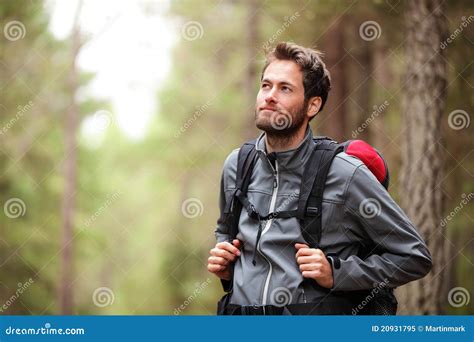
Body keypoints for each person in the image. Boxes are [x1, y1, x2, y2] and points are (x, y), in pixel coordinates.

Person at [207, 41, 432, 315]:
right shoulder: (237, 165)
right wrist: (225, 261)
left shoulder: (345, 173)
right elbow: (225, 230)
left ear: (312, 105)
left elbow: (413, 257)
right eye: (266, 85)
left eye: (285, 88)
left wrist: (337, 273)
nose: (269, 96)